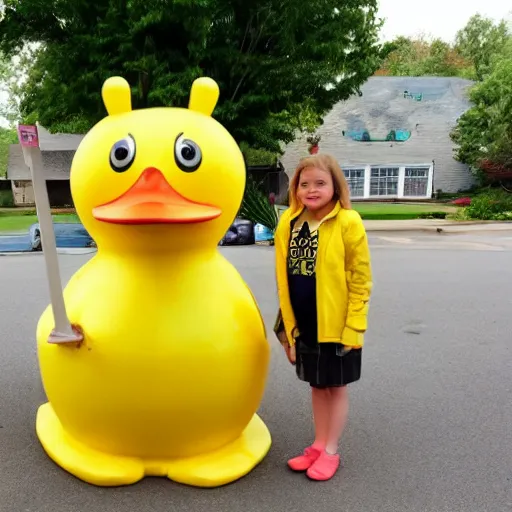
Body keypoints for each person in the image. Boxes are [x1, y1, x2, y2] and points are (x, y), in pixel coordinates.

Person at [274, 153, 372, 481]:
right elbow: (283, 277)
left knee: (336, 386)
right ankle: (317, 444)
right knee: (317, 385)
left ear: (335, 186)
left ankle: (331, 450)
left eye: (320, 183)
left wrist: (354, 327)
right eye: (305, 184)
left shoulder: (348, 221)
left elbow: (360, 279)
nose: (312, 189)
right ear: (295, 188)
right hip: (305, 321)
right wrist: (289, 327)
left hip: (338, 323)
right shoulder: (289, 221)